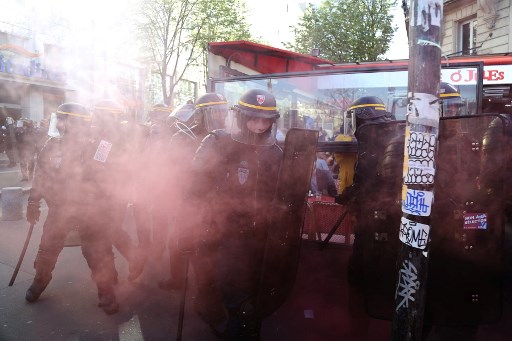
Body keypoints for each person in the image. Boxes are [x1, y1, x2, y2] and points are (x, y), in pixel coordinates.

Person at [186, 89, 282, 339]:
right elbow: (195, 184)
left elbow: (283, 192)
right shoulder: (218, 142)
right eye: (253, 118)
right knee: (228, 286)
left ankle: (243, 328)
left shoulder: (275, 152)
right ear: (240, 117)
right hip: (222, 227)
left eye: (266, 120)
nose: (260, 125)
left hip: (260, 231)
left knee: (254, 287)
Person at [25, 103, 119, 314]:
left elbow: (109, 179)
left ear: (74, 123)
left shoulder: (99, 146)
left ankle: (106, 291)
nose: (58, 125)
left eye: (62, 120)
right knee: (47, 247)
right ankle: (41, 279)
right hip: (59, 209)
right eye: (58, 119)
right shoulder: (51, 145)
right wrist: (33, 202)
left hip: (90, 210)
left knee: (96, 251)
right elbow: (41, 176)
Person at [82, 99, 146, 282]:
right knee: (109, 231)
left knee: (107, 232)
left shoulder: (107, 138)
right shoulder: (113, 134)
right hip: (115, 191)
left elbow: (98, 165)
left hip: (110, 193)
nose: (95, 118)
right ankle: (119, 269)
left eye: (98, 115)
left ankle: (127, 263)